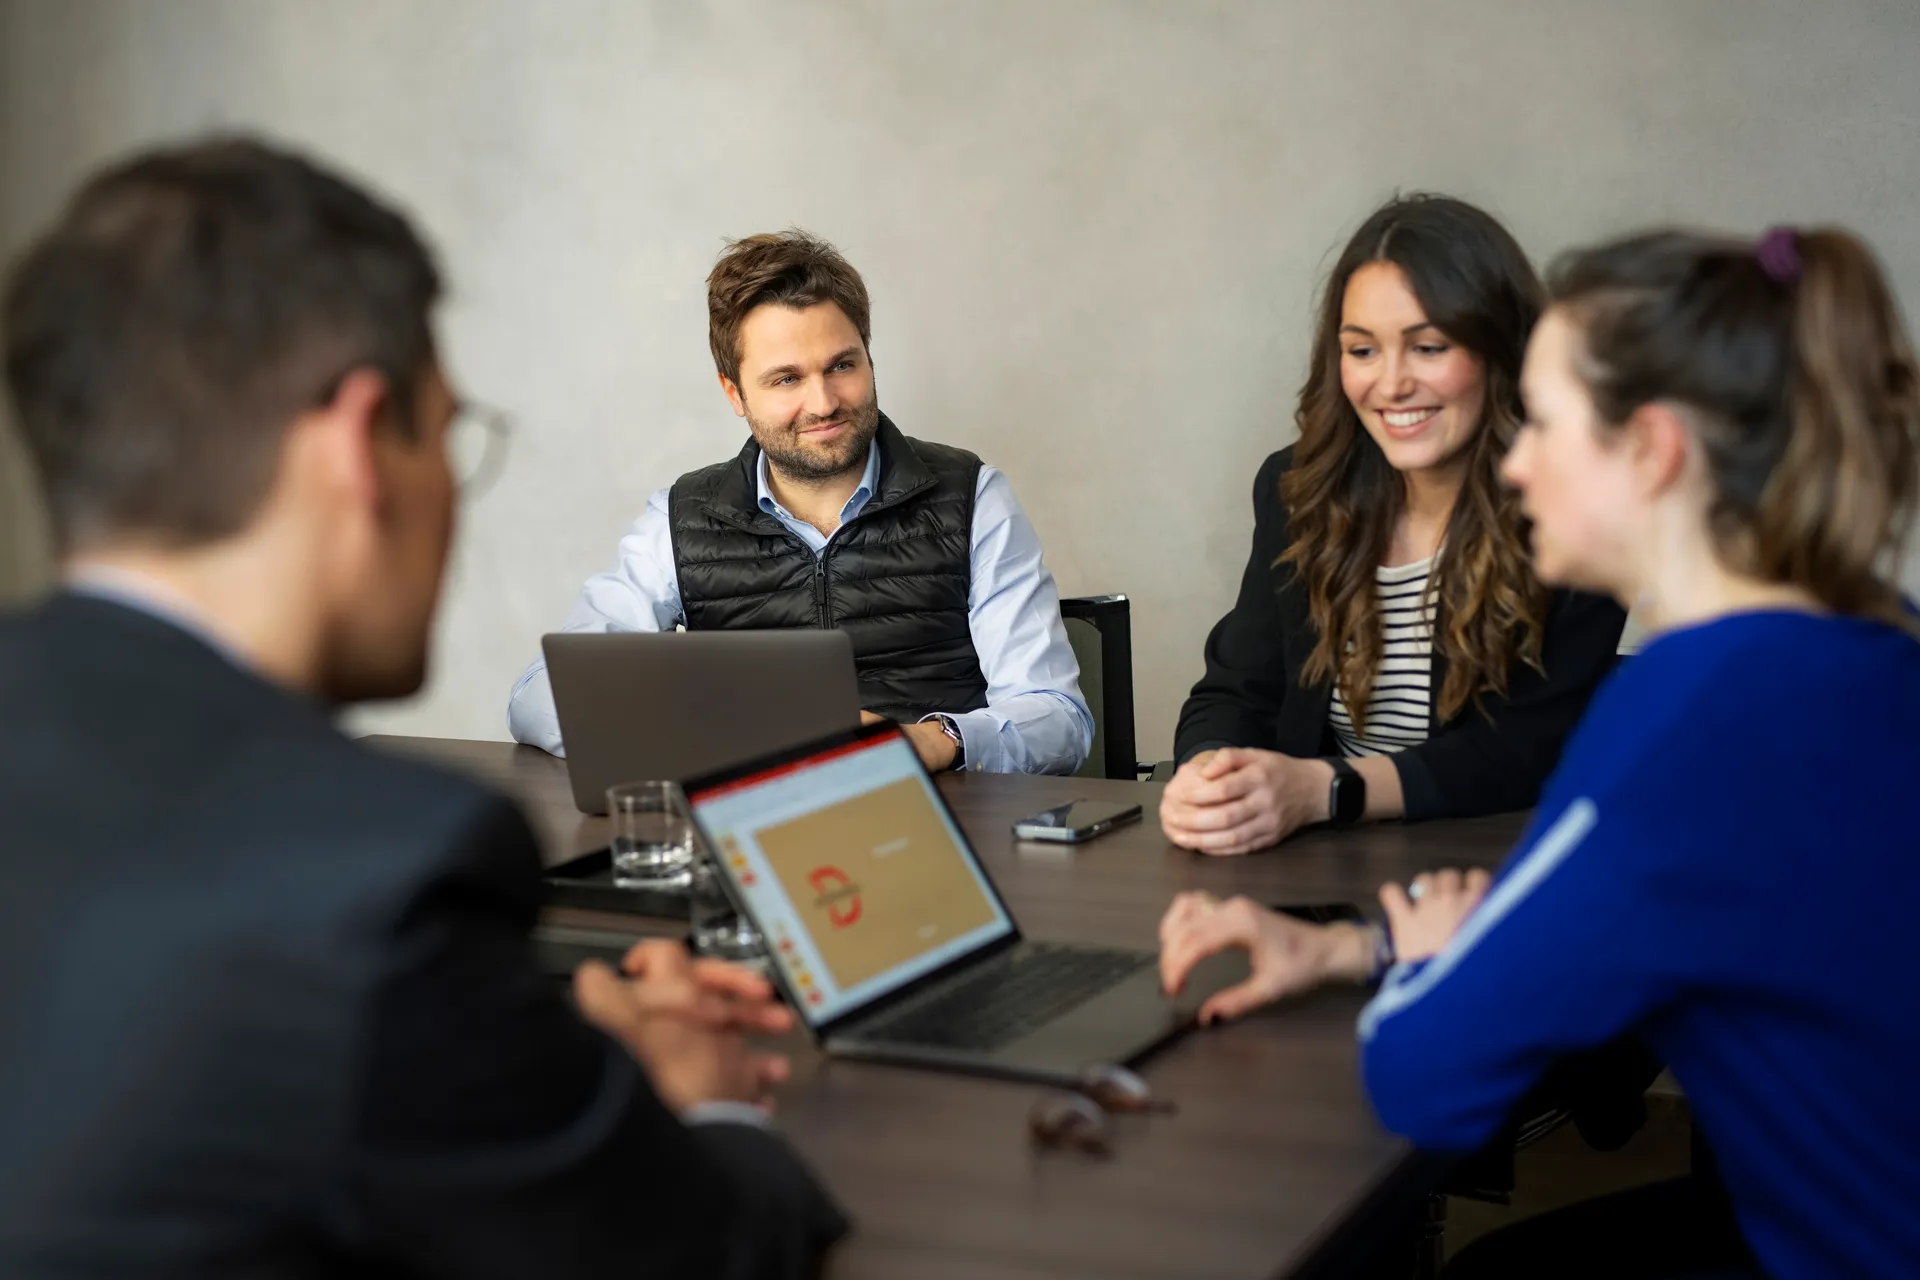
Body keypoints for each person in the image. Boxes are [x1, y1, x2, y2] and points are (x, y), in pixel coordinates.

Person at [0, 138, 846, 1278]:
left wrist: (519, 1051)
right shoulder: (384, 877)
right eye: (447, 433)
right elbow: (715, 1246)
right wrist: (697, 1101)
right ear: (360, 445)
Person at [1160, 224, 1920, 1278]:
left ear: (1649, 451)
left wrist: (1415, 971)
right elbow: (1613, 915)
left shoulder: (1677, 723)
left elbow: (1424, 1075)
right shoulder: (1875, 635)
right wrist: (1354, 948)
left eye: (1547, 424)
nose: (1515, 458)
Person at [507, 230, 1091, 775]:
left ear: (869, 357)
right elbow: (542, 694)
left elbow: (1057, 714)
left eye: (842, 365)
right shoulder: (679, 518)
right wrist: (713, 740)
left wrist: (934, 740)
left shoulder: (973, 495)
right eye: (785, 379)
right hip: (756, 828)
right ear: (734, 393)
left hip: (945, 820)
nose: (823, 402)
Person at [1164, 196, 1626, 854]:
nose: (1391, 383)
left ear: (1503, 350)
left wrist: (1326, 789)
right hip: (1320, 865)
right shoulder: (1297, 488)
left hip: (1500, 865)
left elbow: (1528, 750)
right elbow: (1240, 687)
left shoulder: (1574, 505)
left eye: (1429, 346)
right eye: (1362, 350)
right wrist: (1211, 774)